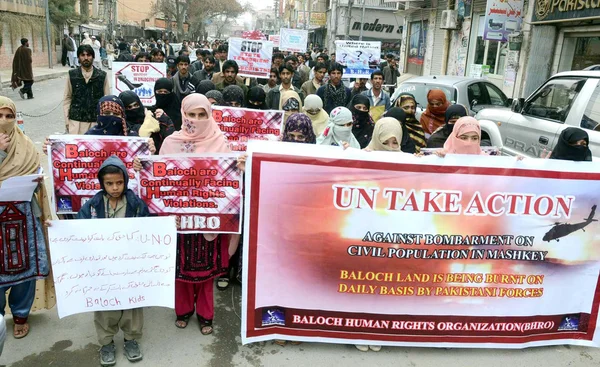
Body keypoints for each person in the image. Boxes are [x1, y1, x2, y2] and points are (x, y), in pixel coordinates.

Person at [149, 94, 239, 335]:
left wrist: (241, 166)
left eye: (202, 115)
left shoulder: (221, 142)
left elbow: (230, 182)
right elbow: (159, 180)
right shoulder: (170, 143)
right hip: (179, 219)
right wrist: (141, 165)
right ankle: (184, 310)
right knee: (180, 269)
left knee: (207, 272)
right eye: (191, 115)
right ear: (183, 114)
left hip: (208, 219)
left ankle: (206, 314)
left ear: (210, 115)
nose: (196, 120)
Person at [76, 155, 149, 366]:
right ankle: (106, 342)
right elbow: (78, 229)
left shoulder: (135, 204)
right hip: (103, 267)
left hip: (130, 266)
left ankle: (131, 339)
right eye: (109, 183)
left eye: (119, 182)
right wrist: (57, 229)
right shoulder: (92, 205)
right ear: (102, 183)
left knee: (132, 305)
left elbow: (148, 229)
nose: (115, 187)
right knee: (105, 305)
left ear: (125, 181)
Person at [0, 96, 54, 341]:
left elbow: (35, 171)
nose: (4, 121)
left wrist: (36, 181)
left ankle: (21, 315)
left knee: (25, 266)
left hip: (23, 219)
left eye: (9, 116)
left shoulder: (26, 145)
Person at [64, 44, 110, 134]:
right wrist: (67, 120)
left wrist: (105, 122)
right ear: (78, 57)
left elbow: (107, 100)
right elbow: (67, 98)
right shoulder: (72, 75)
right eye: (83, 55)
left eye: (88, 55)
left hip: (96, 121)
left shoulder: (102, 75)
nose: (86, 58)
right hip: (76, 121)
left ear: (93, 57)